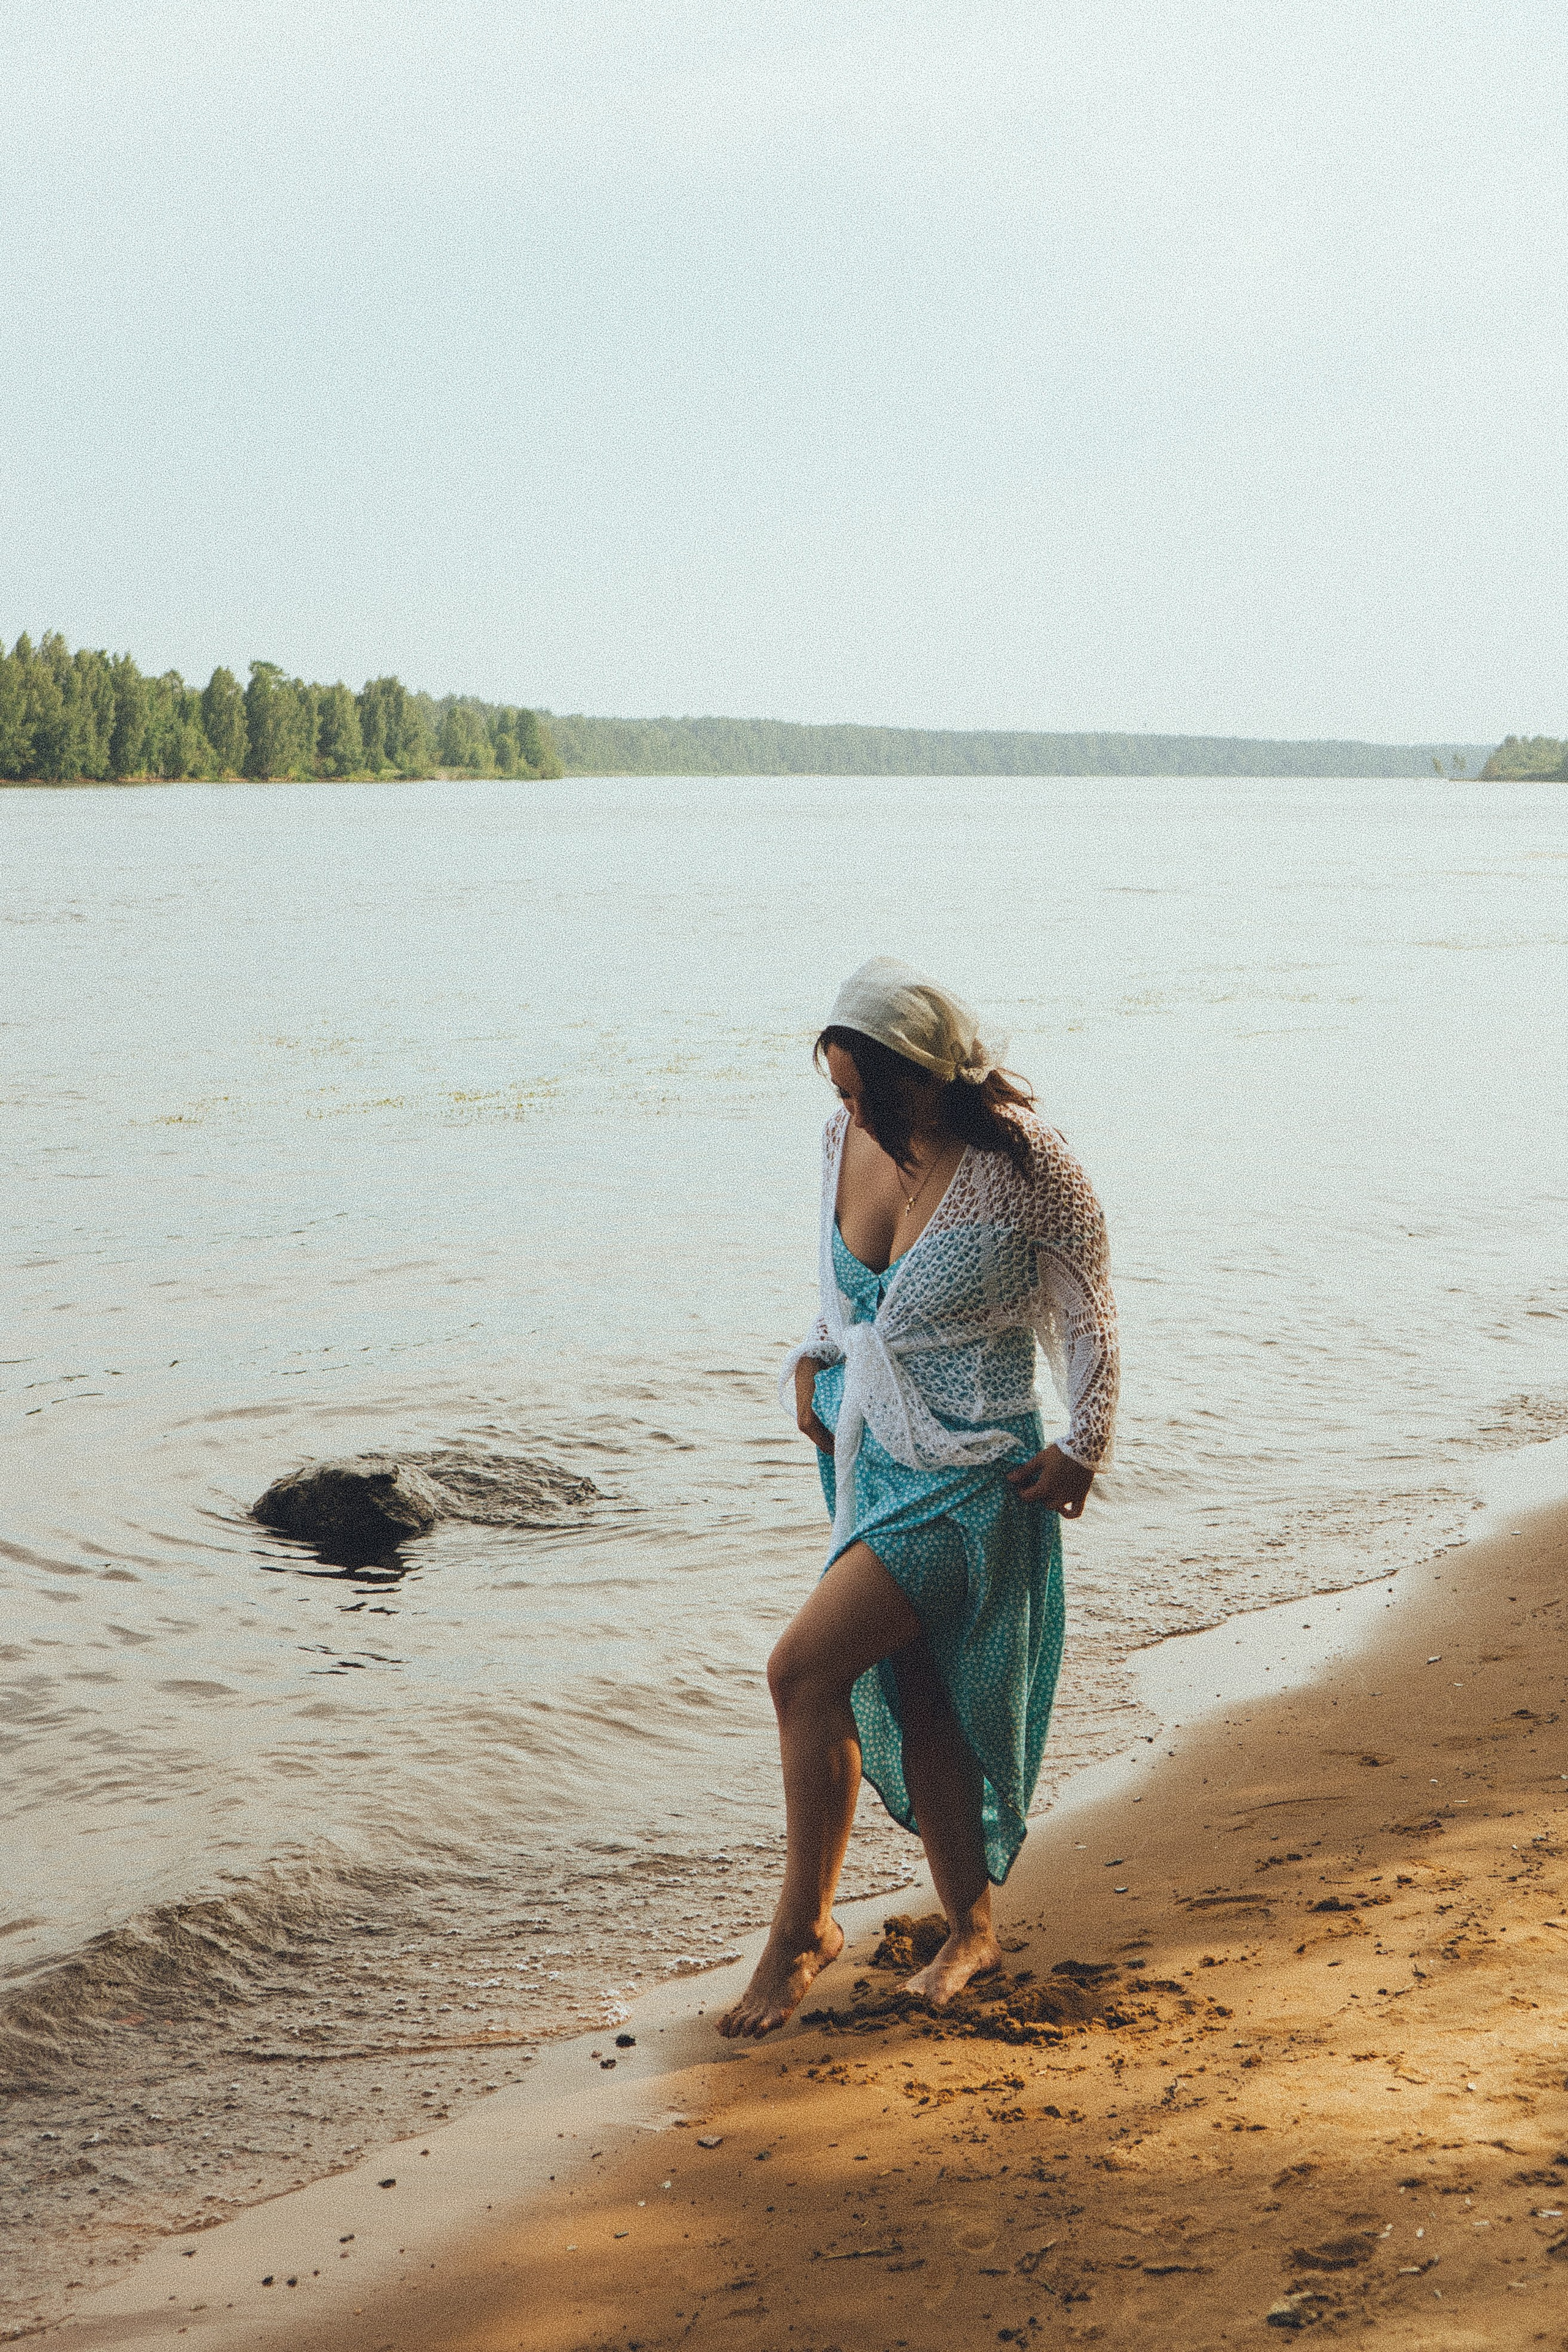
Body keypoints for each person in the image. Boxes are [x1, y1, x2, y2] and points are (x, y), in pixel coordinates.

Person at [718, 957, 1119, 2038]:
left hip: (975, 1474)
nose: (849, 1115)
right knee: (919, 1692)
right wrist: (809, 1359)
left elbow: (1088, 1313)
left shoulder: (1027, 1165)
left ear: (928, 1081)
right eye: (838, 1093)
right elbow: (848, 1304)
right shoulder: (839, 1142)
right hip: (868, 1458)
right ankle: (972, 1928)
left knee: (801, 1669)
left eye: (866, 1095)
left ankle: (803, 1929)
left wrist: (1084, 1445)